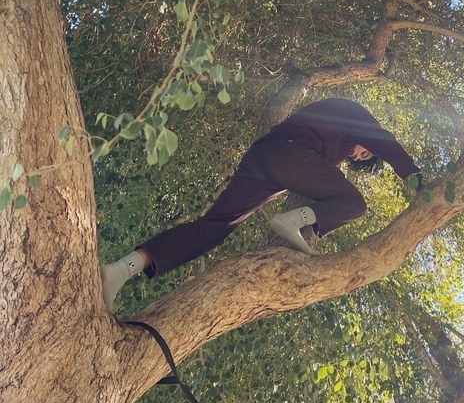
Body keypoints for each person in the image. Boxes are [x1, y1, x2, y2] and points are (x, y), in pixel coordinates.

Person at [101, 97, 422, 309]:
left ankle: (121, 269)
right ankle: (293, 223)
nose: (357, 154)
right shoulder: (354, 115)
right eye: (364, 151)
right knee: (354, 203)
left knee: (215, 227)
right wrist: (415, 180)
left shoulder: (338, 149)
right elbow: (386, 142)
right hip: (287, 153)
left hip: (265, 164)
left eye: (362, 158)